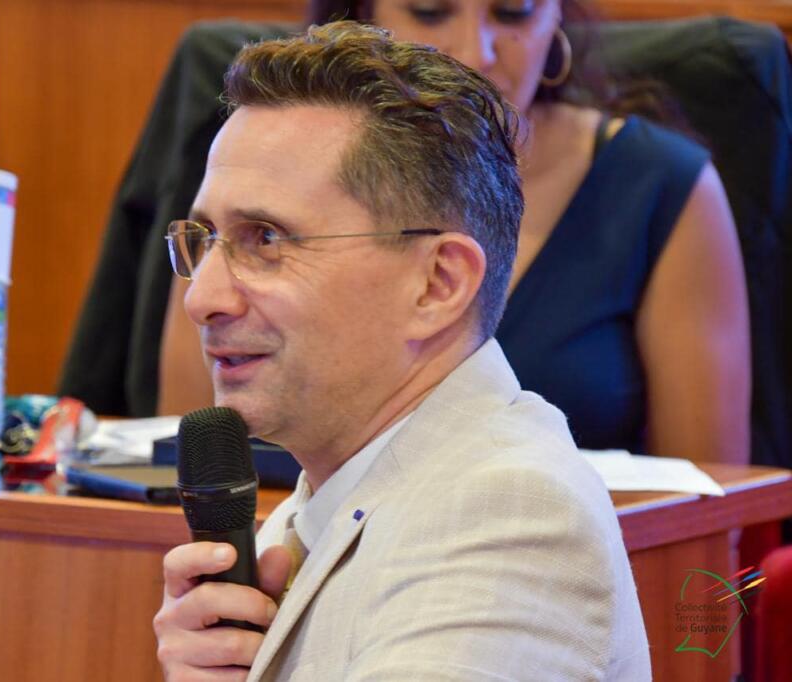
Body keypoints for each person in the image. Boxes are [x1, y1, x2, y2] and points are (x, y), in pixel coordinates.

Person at [153, 21, 650, 680]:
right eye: (205, 239)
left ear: (437, 284)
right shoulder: (308, 514)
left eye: (266, 238)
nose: (202, 298)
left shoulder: (508, 516)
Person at [150, 0, 750, 468]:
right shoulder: (252, 165)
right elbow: (197, 449)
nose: (475, 50)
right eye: (431, 11)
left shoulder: (660, 183)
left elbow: (714, 499)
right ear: (361, 20)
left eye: (513, 13)